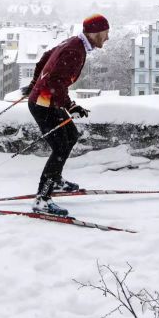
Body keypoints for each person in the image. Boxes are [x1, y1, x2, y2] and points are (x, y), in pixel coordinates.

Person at [20, 14, 110, 216]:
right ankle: (42, 199)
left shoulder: (74, 42)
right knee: (60, 147)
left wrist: (34, 84)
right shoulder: (74, 50)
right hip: (44, 105)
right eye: (105, 33)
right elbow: (55, 83)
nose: (107, 37)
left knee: (71, 136)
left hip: (48, 101)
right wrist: (70, 105)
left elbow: (44, 59)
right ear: (95, 33)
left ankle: (56, 180)